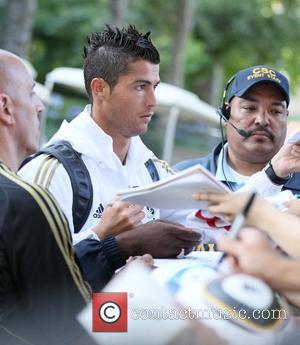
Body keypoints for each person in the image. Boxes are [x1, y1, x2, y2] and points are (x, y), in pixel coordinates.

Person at [19, 25, 200, 259]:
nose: (153, 101)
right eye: (140, 86)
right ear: (100, 88)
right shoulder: (52, 172)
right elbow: (31, 268)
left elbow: (208, 225)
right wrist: (103, 235)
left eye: (154, 87)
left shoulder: (155, 169)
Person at [0, 49, 96, 345]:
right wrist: (135, 289)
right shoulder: (24, 201)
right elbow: (78, 330)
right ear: (5, 108)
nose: (40, 106)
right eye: (31, 93)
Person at [175, 65, 300, 194]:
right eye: (250, 108)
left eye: (275, 111)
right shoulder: (181, 178)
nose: (262, 120)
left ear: (286, 117)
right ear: (226, 114)